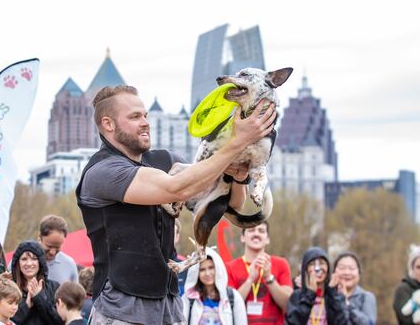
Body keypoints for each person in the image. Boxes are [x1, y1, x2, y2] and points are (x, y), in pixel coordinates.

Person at [75, 85, 275, 324]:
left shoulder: (166, 160)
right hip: (120, 307)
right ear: (108, 124)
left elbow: (234, 204)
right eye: (135, 116)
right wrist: (236, 143)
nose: (145, 122)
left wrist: (238, 174)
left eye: (145, 115)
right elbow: (175, 187)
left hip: (169, 306)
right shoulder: (102, 172)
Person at [226, 221, 293, 324]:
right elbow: (228, 307)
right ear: (242, 237)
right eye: (251, 230)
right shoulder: (229, 267)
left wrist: (269, 278)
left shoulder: (281, 264)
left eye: (261, 231)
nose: (256, 233)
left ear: (267, 239)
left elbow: (289, 305)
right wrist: (250, 280)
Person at [183, 247, 247, 325]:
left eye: (211, 268)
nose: (207, 273)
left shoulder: (233, 297)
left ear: (218, 268)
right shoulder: (188, 299)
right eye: (202, 269)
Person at [285, 247, 349, 325]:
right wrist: (310, 295)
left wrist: (332, 293)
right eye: (312, 264)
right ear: (305, 269)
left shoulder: (335, 296)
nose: (317, 269)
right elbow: (293, 322)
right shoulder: (297, 296)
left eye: (322, 263)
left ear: (328, 268)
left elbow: (342, 322)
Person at [10, 240, 63, 325]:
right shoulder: (9, 288)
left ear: (40, 262)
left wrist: (39, 298)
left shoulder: (54, 287)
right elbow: (6, 321)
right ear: (18, 263)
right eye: (24, 259)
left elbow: (59, 321)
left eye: (34, 259)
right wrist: (26, 306)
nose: (29, 263)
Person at [332, 252, 377, 325]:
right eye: (342, 268)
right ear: (334, 272)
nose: (347, 272)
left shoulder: (366, 297)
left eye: (351, 268)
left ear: (359, 273)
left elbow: (369, 323)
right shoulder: (328, 297)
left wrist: (347, 304)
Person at [38, 215, 79, 284]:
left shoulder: (69, 264)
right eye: (49, 246)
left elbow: (75, 293)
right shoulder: (23, 260)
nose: (52, 252)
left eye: (57, 247)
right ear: (40, 238)